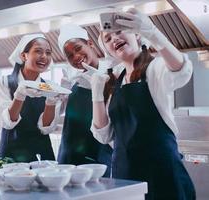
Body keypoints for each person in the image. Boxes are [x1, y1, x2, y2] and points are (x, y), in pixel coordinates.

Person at [91, 8, 195, 199]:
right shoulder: (114, 80)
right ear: (107, 50)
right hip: (125, 174)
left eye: (119, 31)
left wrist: (153, 33)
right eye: (108, 38)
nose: (114, 38)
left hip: (161, 171)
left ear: (137, 35)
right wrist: (97, 95)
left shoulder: (154, 68)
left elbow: (181, 71)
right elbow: (103, 135)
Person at [56, 24, 113, 175]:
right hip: (67, 159)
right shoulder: (72, 80)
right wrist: (59, 95)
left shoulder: (112, 73)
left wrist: (104, 86)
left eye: (78, 48)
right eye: (69, 56)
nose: (75, 57)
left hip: (98, 158)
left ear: (90, 44)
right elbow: (54, 118)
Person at [0, 33, 63, 162]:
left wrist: (51, 100)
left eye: (48, 53)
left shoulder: (50, 87)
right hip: (11, 154)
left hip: (41, 155)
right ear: (24, 55)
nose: (44, 56)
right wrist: (19, 95)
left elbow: (46, 127)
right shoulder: (4, 82)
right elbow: (8, 122)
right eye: (38, 51)